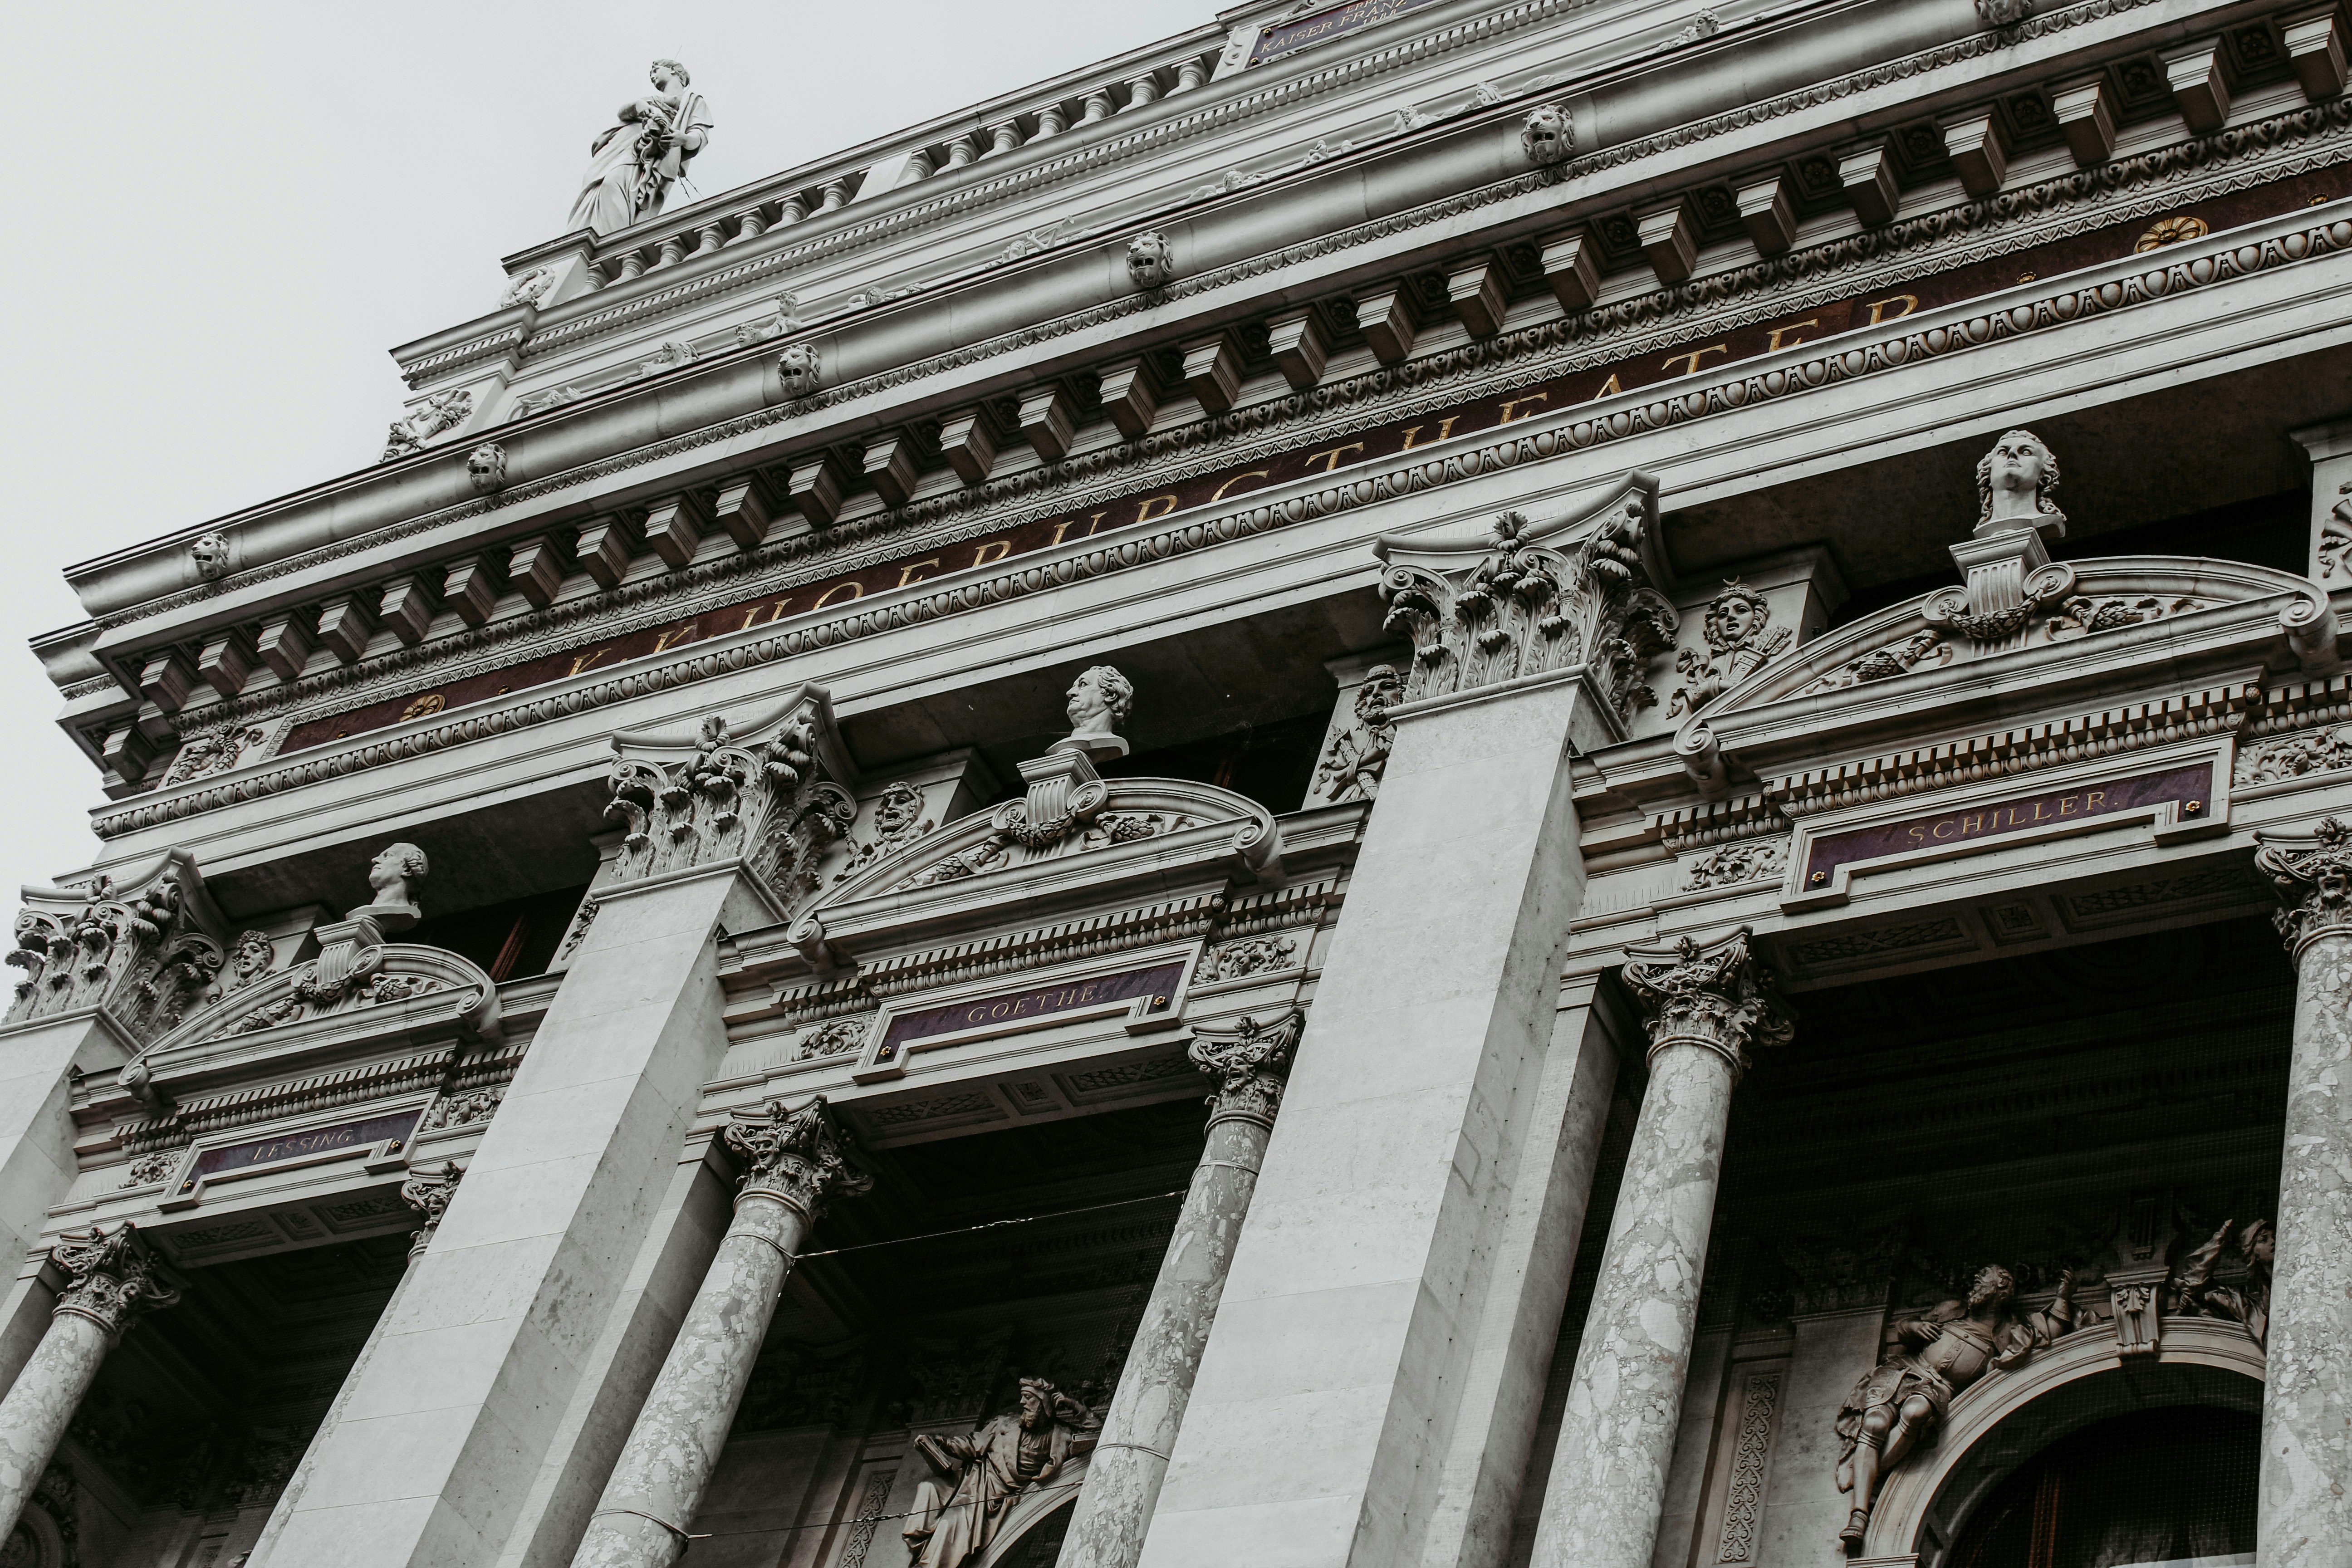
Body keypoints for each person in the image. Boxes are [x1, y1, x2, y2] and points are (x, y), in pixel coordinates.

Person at [567, 60, 711, 235]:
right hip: (619, 145)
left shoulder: (693, 102)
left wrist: (682, 139)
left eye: (656, 70)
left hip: (646, 154)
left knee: (613, 183)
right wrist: (638, 106)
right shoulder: (649, 100)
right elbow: (623, 112)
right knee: (594, 184)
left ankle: (611, 240)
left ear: (673, 70)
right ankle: (581, 237)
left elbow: (700, 137)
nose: (652, 76)